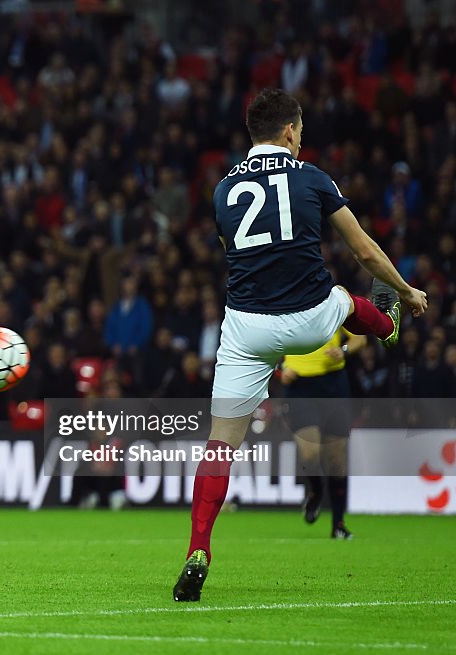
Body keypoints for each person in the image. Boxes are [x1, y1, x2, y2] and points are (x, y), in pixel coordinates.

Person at [173, 88, 428, 602]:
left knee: (220, 444)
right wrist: (405, 291)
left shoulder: (222, 190)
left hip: (247, 329)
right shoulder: (312, 177)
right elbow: (364, 250)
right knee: (350, 301)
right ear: (290, 131)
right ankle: (390, 326)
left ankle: (198, 549)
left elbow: (232, 251)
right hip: (310, 319)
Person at [281, 328, 366, 540]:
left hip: (334, 384)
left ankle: (338, 524)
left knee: (336, 461)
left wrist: (343, 350)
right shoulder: (286, 299)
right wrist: (280, 366)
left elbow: (360, 338)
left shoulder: (337, 296)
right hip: (299, 385)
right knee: (310, 455)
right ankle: (316, 490)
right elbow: (268, 342)